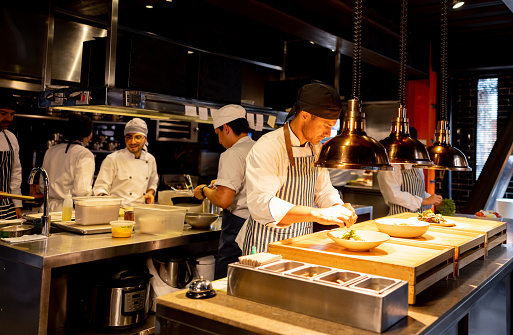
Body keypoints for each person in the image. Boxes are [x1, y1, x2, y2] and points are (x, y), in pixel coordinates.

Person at [238, 83, 358, 255]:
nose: (328, 132)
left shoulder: (315, 149)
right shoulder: (269, 146)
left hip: (300, 240)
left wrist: (337, 207)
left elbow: (323, 191)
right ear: (305, 115)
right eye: (325, 125)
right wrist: (318, 214)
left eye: (331, 126)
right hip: (265, 244)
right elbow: (261, 204)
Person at [193, 104, 255, 279]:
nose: (219, 140)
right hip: (258, 226)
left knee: (226, 279)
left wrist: (204, 190)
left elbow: (223, 200)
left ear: (226, 129)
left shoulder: (232, 153)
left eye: (218, 134)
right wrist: (221, 183)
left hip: (237, 226)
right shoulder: (258, 148)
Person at [93, 118, 158, 207]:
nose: (132, 141)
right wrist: (106, 198)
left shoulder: (150, 159)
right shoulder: (113, 159)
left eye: (137, 137)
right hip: (117, 211)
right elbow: (99, 187)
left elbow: (153, 183)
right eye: (129, 137)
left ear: (145, 139)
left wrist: (150, 193)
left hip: (140, 210)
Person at [377, 127, 442, 215]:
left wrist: (431, 198)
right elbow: (393, 195)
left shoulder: (417, 165)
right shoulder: (392, 166)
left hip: (419, 218)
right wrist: (424, 201)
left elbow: (418, 192)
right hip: (398, 220)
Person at [40, 114, 95, 212]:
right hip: (68, 211)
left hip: (47, 208)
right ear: (88, 134)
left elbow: (42, 185)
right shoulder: (85, 155)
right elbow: (81, 191)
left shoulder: (51, 150)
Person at [0, 93, 22, 219]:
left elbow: (15, 173)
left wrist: (17, 204)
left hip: (7, 208)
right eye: (3, 113)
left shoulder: (11, 138)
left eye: (12, 114)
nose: (9, 118)